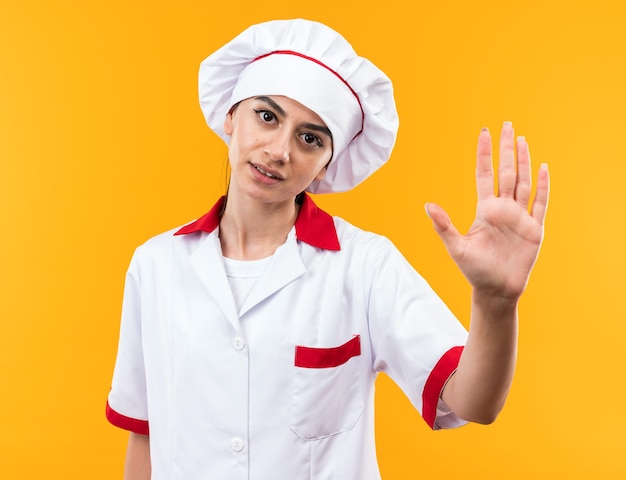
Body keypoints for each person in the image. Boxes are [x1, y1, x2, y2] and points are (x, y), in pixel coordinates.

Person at [106, 18, 550, 480]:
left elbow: (473, 401)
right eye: (267, 115)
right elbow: (145, 434)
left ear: (324, 167)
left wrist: (496, 304)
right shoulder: (156, 266)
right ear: (230, 116)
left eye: (310, 138)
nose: (279, 150)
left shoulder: (365, 266)